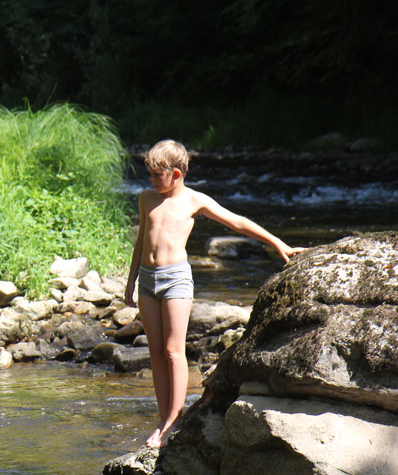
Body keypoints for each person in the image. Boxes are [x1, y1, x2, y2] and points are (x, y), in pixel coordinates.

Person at [124, 140, 304, 449]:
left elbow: (237, 222)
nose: (151, 180)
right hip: (147, 281)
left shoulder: (195, 200)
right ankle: (162, 417)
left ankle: (173, 420)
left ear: (176, 173)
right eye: (150, 174)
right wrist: (130, 283)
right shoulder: (147, 198)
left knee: (172, 350)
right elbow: (141, 241)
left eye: (156, 175)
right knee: (155, 353)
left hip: (176, 280)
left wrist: (278, 243)